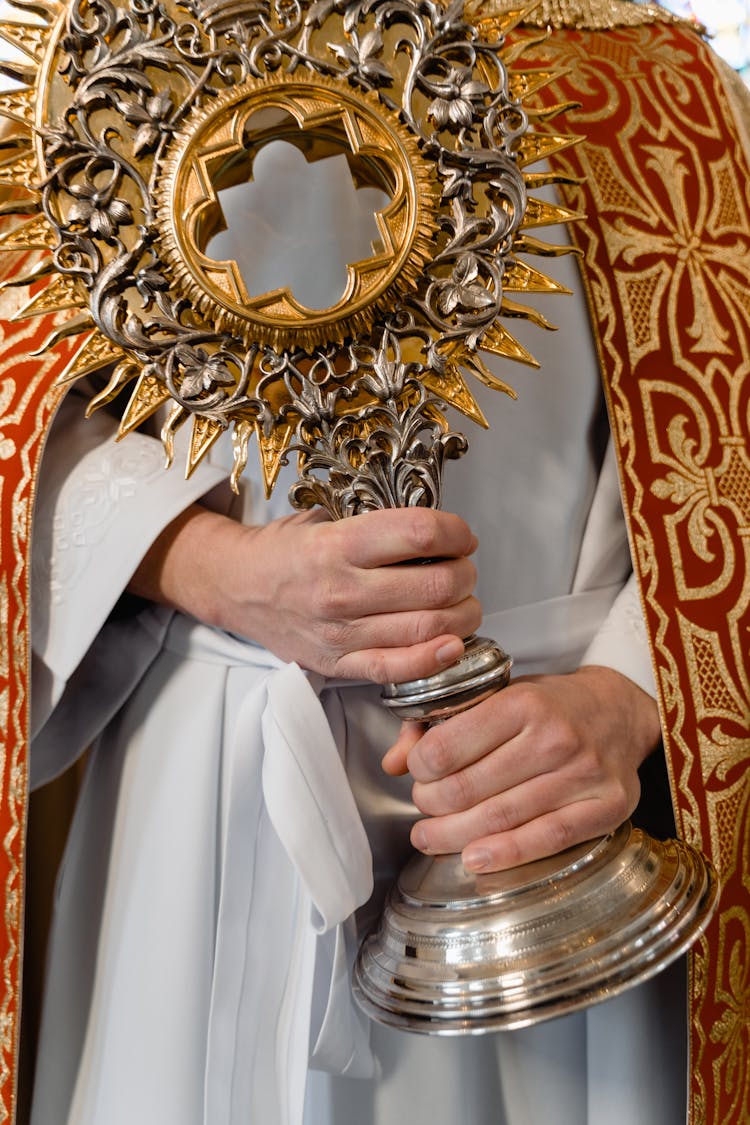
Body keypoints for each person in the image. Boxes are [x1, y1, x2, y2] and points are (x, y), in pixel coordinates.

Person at [19, 1, 750, 1123]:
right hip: (210, 773)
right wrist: (198, 558)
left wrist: (634, 690)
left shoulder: (658, 85)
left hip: (566, 816)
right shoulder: (97, 53)